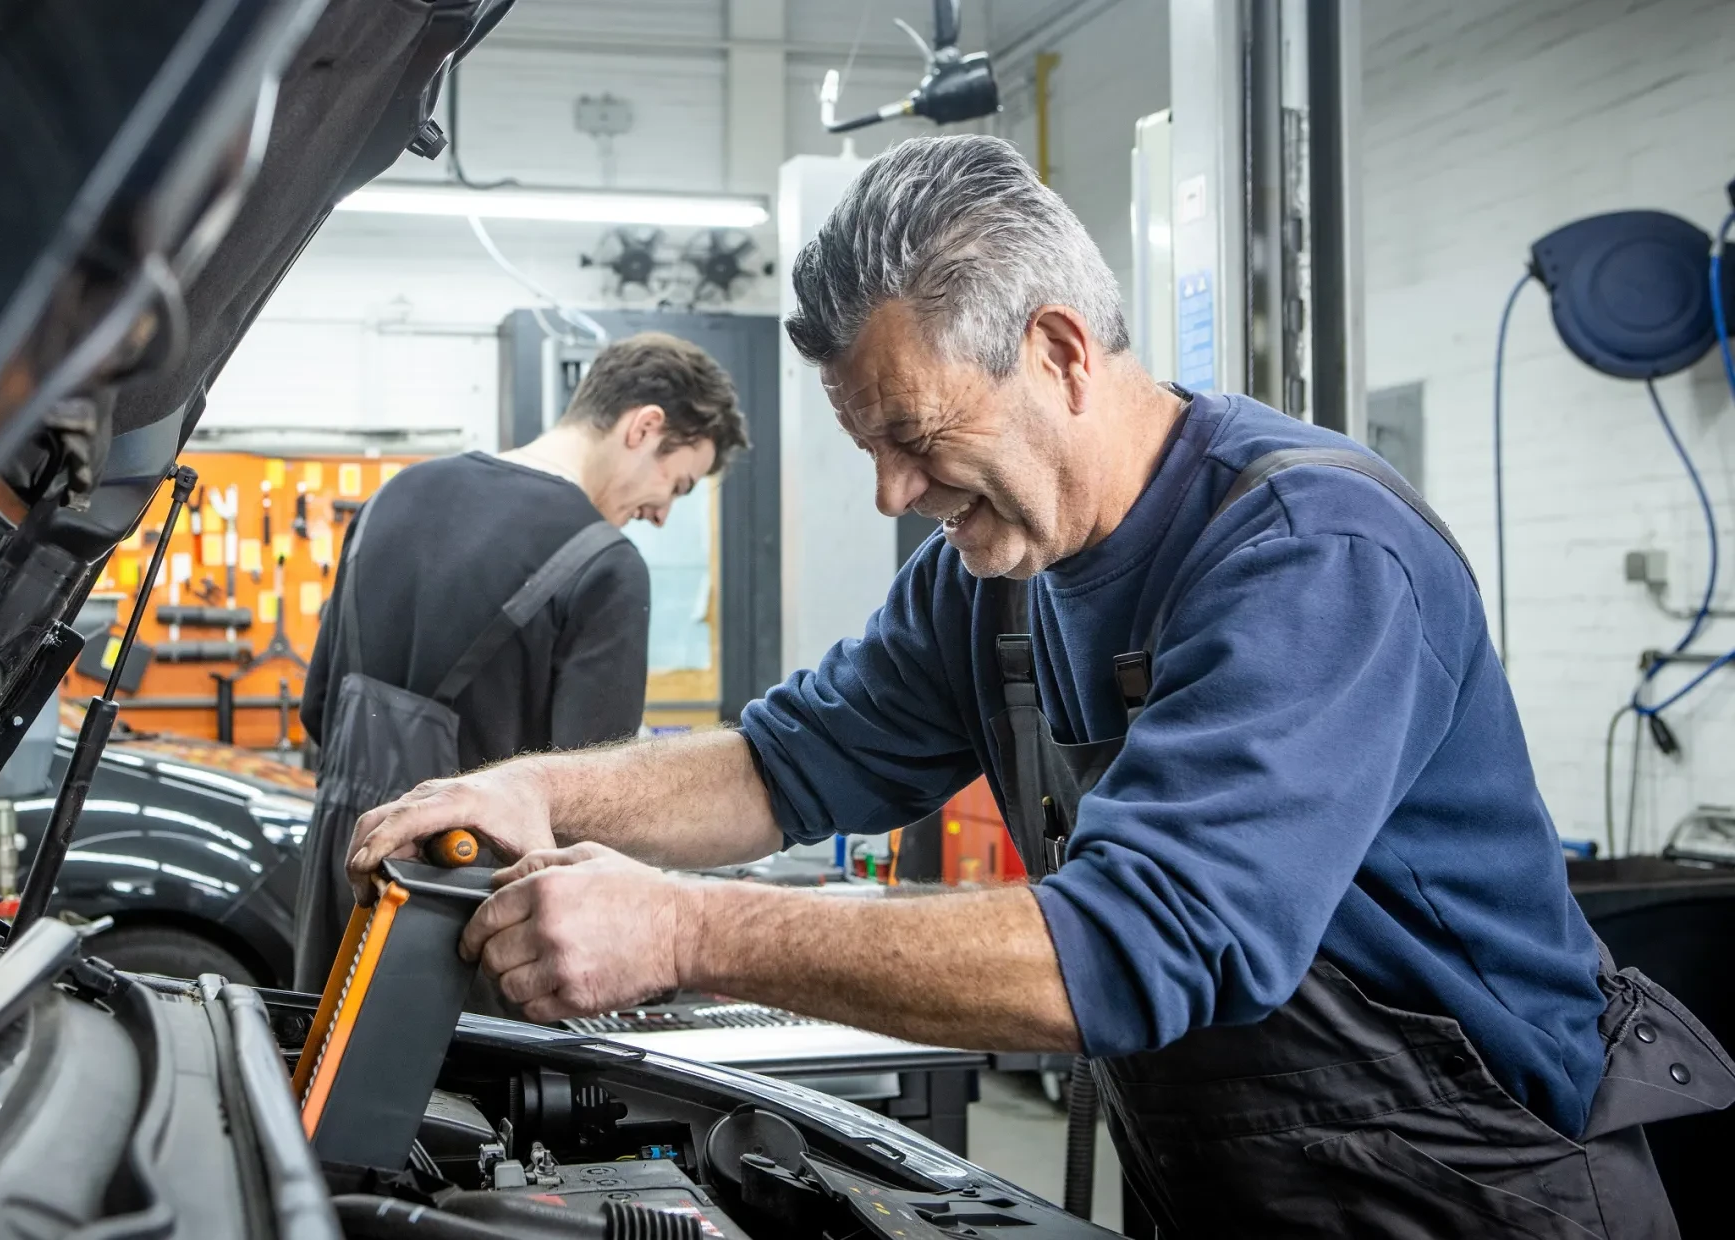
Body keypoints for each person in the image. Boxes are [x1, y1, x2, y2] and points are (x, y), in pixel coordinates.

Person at [347, 136, 1730, 1235]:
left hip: (1472, 1193)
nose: (896, 492)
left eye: (917, 435)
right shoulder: (989, 576)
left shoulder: (1314, 555)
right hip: (1227, 1181)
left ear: (1062, 351)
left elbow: (1148, 941)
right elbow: (785, 763)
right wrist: (531, 787)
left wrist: (679, 933)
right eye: (867, 449)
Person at [292, 331, 749, 991]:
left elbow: (317, 710)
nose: (660, 513)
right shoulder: (605, 566)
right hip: (469, 928)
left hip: (338, 886)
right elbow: (597, 805)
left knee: (321, 1082)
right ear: (644, 427)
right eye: (675, 484)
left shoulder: (394, 498)